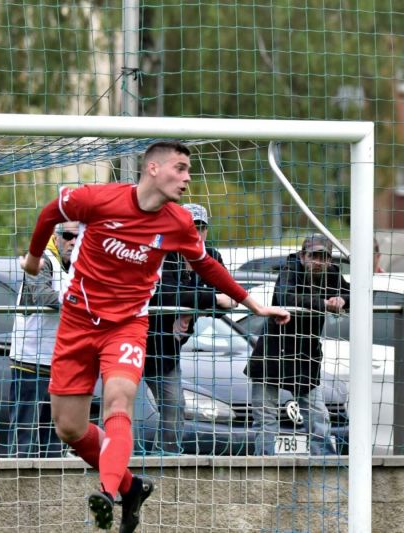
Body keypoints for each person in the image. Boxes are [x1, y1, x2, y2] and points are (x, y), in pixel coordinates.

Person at [21, 140, 290, 532]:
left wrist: (252, 303)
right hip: (78, 322)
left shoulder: (178, 222)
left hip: (127, 326)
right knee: (69, 427)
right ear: (153, 169)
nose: (187, 178)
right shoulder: (98, 199)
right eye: (180, 169)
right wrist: (32, 256)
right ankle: (131, 489)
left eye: (188, 171)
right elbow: (51, 211)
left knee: (118, 402)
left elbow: (208, 268)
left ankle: (109, 490)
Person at [143, 203, 236, 455]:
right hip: (134, 342)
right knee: (122, 410)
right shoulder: (162, 252)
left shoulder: (211, 256)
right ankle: (119, 468)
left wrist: (190, 307)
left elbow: (230, 296)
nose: (195, 232)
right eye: (189, 226)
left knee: (174, 408)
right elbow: (162, 295)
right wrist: (207, 300)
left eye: (201, 227)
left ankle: (164, 465)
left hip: (167, 351)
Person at [245, 233, 349, 456]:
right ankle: (264, 468)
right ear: (303, 255)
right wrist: (324, 303)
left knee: (318, 417)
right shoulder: (289, 270)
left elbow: (352, 293)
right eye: (314, 256)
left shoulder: (331, 274)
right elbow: (287, 298)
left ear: (330, 259)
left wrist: (343, 299)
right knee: (266, 419)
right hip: (273, 355)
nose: (319, 262)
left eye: (324, 257)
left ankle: (324, 466)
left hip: (305, 356)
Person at [9, 221, 78, 458]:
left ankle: (52, 485)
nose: (73, 241)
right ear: (55, 236)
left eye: (77, 237)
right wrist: (79, 301)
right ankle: (17, 483)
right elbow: (42, 295)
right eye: (68, 235)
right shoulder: (41, 260)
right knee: (25, 433)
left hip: (60, 360)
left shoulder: (78, 265)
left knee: (55, 433)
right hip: (30, 359)